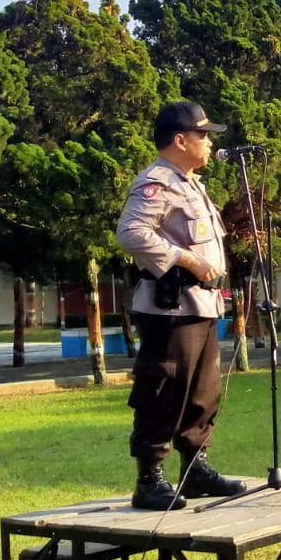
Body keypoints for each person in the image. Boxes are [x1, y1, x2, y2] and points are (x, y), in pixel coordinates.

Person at [115, 100, 249, 511]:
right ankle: (150, 479)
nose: (209, 143)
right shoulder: (156, 183)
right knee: (164, 389)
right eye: (203, 135)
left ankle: (196, 469)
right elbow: (130, 232)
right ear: (179, 139)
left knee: (203, 392)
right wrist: (186, 259)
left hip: (202, 305)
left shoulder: (191, 185)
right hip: (170, 310)